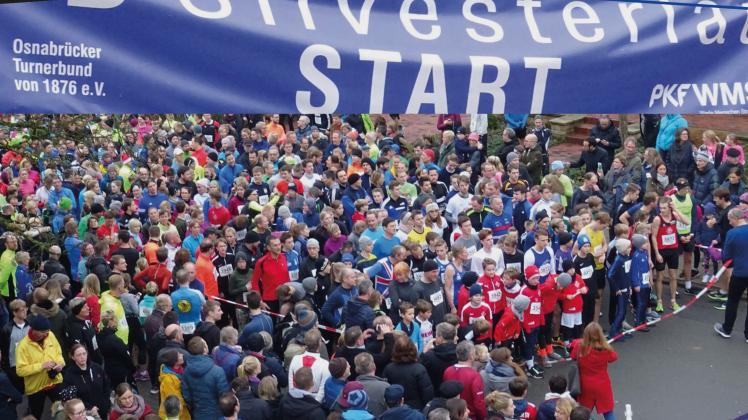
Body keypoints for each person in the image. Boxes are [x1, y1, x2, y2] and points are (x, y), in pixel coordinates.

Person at [16, 315, 64, 419]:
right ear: (34, 330)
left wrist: (60, 364)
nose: (46, 334)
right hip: (36, 388)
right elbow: (20, 371)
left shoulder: (50, 335)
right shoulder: (22, 346)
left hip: (55, 381)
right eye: (43, 332)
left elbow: (59, 353)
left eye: (47, 331)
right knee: (36, 414)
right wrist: (41, 366)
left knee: (63, 411)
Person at [714, 208, 748, 341]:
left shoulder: (732, 233)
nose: (729, 222)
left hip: (739, 272)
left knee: (733, 300)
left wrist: (717, 254)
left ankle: (727, 329)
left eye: (730, 219)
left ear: (735, 218)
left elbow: (726, 256)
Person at [571, 322, 617, 420]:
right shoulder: (605, 348)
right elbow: (613, 358)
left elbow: (573, 356)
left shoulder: (580, 347)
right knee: (608, 412)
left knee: (583, 414)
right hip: (602, 385)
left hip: (585, 385)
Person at [182, 336, 230, 419]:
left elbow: (186, 395)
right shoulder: (218, 371)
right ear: (205, 349)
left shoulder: (186, 371)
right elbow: (224, 395)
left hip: (197, 413)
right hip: (216, 414)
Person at [382, 334, 433, 410]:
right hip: (416, 408)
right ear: (413, 349)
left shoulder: (388, 368)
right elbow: (427, 393)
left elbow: (385, 388)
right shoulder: (419, 369)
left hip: (396, 407)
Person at [62, 344, 111, 417]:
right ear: (73, 357)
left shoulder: (96, 367)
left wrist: (105, 402)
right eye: (78, 355)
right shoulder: (69, 375)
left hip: (102, 408)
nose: (82, 357)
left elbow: (106, 385)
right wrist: (89, 407)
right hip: (85, 413)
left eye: (84, 353)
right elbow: (72, 398)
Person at [442, 340, 486, 420]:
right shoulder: (475, 375)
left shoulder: (447, 370)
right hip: (469, 416)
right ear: (471, 356)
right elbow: (479, 403)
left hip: (452, 414)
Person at [251, 236, 290, 314]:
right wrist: (260, 301)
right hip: (270, 300)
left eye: (279, 244)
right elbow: (254, 283)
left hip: (286, 298)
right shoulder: (261, 262)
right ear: (268, 247)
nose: (278, 247)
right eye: (275, 245)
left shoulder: (285, 257)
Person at [97, 309, 135, 387]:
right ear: (110, 322)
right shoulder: (115, 340)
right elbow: (126, 356)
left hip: (108, 368)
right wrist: (132, 369)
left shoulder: (100, 335)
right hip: (120, 371)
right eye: (115, 320)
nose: (117, 322)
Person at [158, 349, 190, 420]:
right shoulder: (168, 380)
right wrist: (189, 400)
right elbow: (174, 401)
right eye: (179, 355)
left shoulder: (181, 370)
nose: (182, 355)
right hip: (175, 415)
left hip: (183, 412)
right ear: (175, 362)